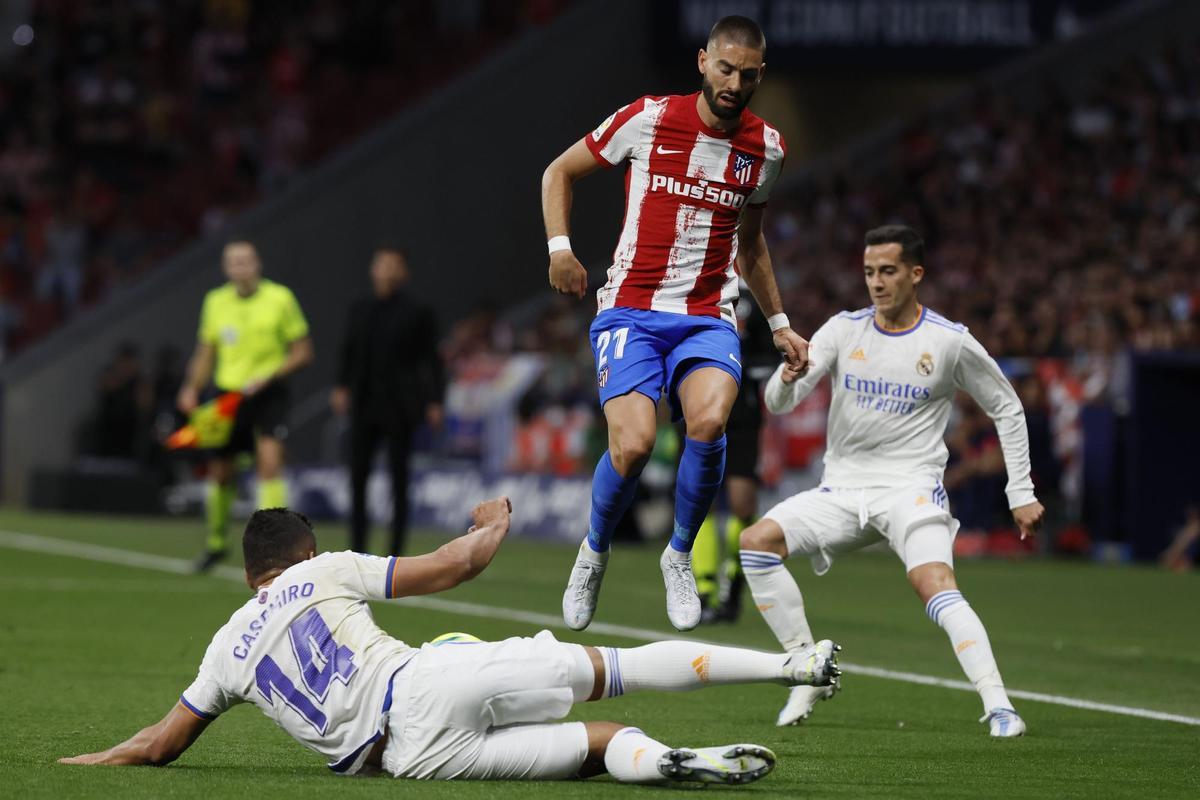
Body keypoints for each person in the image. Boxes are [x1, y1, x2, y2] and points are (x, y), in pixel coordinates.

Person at [58, 498, 841, 785]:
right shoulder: (322, 570)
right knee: (615, 670)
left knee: (598, 746)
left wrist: (91, 759)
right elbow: (456, 565)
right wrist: (493, 520)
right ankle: (790, 663)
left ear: (248, 576)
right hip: (421, 684)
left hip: (406, 760)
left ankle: (673, 762)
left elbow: (160, 745)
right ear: (301, 553)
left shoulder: (226, 647)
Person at [541, 15, 806, 632]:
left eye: (746, 74)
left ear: (759, 75)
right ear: (702, 62)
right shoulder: (650, 116)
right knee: (631, 445)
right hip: (631, 307)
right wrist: (559, 248)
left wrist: (781, 323)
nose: (734, 82)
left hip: (708, 314)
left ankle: (680, 554)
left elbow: (754, 243)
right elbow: (559, 171)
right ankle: (594, 552)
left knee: (709, 419)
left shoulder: (766, 148)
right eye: (724, 68)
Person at [737, 225, 1045, 735]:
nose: (876, 283)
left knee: (935, 584)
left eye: (887, 271)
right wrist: (784, 380)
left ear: (915, 274)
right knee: (756, 544)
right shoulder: (843, 331)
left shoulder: (948, 342)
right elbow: (778, 403)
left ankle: (999, 705)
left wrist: (1022, 492)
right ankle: (808, 670)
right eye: (868, 273)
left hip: (912, 489)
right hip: (842, 490)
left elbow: (1007, 407)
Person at [177, 240, 313, 572]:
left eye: (246, 261)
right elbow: (206, 350)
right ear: (226, 268)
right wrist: (191, 386)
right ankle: (216, 542)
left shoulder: (280, 298)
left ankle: (277, 549)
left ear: (258, 264)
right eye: (234, 262)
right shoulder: (215, 301)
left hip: (269, 393)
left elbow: (303, 351)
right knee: (220, 471)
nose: (240, 267)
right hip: (228, 394)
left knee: (269, 464)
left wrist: (269, 376)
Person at [331, 246, 444, 556]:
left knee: (399, 480)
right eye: (382, 264)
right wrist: (341, 385)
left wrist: (435, 400)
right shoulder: (360, 307)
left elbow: (432, 360)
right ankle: (357, 549)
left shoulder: (418, 311)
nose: (388, 270)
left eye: (395, 265)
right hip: (364, 405)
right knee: (357, 478)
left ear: (404, 272)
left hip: (401, 406)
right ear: (373, 269)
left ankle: (395, 550)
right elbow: (348, 350)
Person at [693, 281, 777, 623]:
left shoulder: (753, 298)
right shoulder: (693, 285)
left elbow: (770, 355)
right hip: (698, 406)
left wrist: (741, 368)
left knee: (743, 504)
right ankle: (702, 590)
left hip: (742, 414)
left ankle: (733, 588)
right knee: (702, 501)